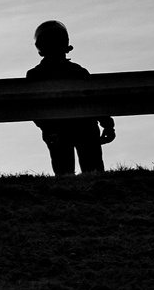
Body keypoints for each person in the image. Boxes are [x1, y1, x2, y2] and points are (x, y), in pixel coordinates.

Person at [28, 20, 115, 176]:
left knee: (66, 176)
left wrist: (47, 129)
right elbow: (95, 100)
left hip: (59, 129)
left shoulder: (36, 75)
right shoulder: (78, 71)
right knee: (94, 175)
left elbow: (33, 109)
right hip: (84, 127)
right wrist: (107, 124)